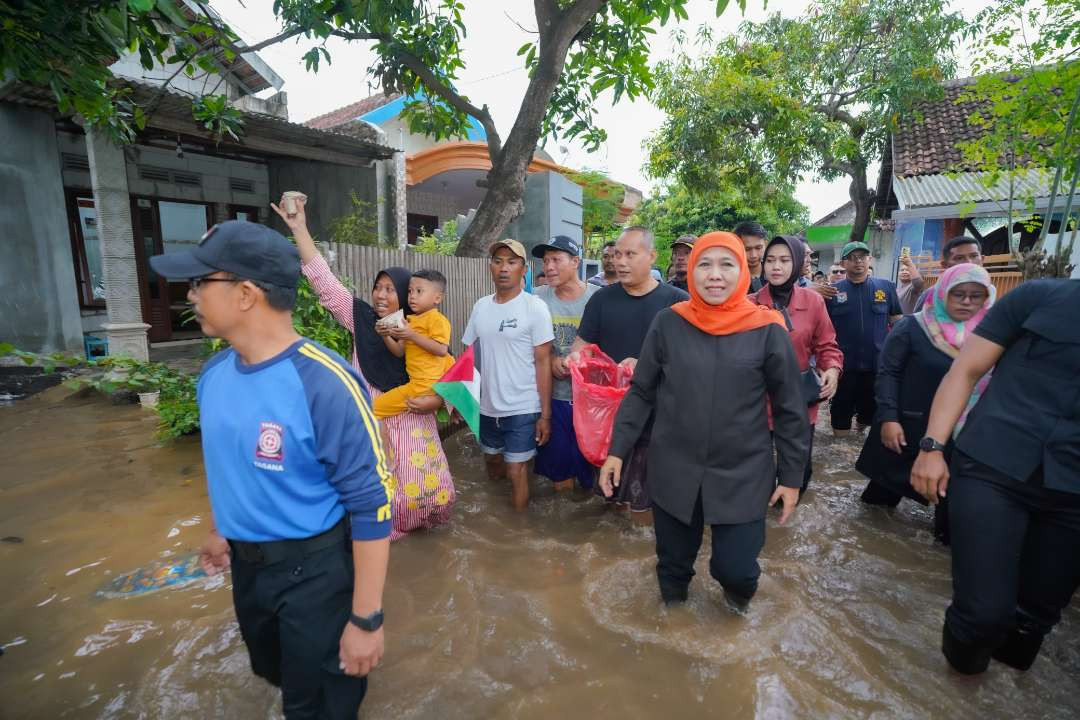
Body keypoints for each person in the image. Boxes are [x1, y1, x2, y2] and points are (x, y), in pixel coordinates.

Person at [149, 220, 391, 719]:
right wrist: (222, 529)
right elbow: (229, 465)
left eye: (199, 282)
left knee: (320, 705)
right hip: (247, 567)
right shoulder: (214, 375)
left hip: (315, 575)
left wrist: (366, 619)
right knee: (274, 673)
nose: (189, 295)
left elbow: (372, 504)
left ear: (244, 294)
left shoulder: (324, 383)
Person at [598, 231, 809, 610]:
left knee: (737, 571)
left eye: (726, 264)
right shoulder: (669, 323)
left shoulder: (768, 329)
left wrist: (791, 478)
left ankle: (735, 623)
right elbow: (642, 391)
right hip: (675, 467)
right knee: (672, 568)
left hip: (743, 472)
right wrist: (617, 451)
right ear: (692, 272)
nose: (715, 275)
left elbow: (790, 408)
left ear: (743, 270)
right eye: (705, 265)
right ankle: (674, 632)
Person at [910, 278, 1080, 676]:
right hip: (991, 468)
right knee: (983, 613)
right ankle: (957, 688)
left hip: (1072, 494)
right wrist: (932, 448)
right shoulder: (1037, 298)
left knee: (1034, 621)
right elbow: (965, 370)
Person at [276, 198, 455, 542]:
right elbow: (325, 285)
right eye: (378, 287)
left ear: (407, 296)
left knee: (428, 494)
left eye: (391, 289)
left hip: (414, 415)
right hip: (371, 418)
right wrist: (299, 228)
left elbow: (452, 372)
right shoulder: (362, 320)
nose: (380, 295)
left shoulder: (423, 327)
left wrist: (436, 402)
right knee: (378, 496)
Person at [856, 264, 995, 544]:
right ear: (943, 293)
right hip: (907, 431)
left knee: (951, 526)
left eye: (975, 295)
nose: (967, 302)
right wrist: (889, 418)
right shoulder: (914, 327)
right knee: (875, 513)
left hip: (965, 440)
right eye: (959, 294)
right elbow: (888, 373)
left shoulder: (992, 338)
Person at [569, 226, 688, 523]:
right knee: (611, 495)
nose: (620, 261)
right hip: (611, 417)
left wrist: (646, 362)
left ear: (652, 256)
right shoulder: (601, 300)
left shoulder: (677, 302)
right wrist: (572, 359)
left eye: (630, 254)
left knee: (646, 504)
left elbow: (691, 361)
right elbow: (583, 348)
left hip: (660, 417)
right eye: (618, 254)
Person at [463, 239, 554, 511]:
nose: (504, 268)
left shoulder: (534, 307)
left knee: (517, 471)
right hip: (488, 407)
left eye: (512, 262)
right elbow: (468, 355)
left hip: (523, 406)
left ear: (523, 269)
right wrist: (462, 400)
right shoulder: (481, 306)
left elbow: (543, 362)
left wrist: (545, 416)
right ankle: (496, 516)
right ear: (490, 267)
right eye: (498, 261)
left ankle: (518, 530)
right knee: (492, 465)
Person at [751, 235, 843, 494]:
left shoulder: (813, 302)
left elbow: (827, 345)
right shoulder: (750, 304)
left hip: (799, 401)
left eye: (784, 260)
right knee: (756, 473)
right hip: (757, 402)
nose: (776, 267)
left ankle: (786, 524)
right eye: (770, 260)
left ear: (798, 263)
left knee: (798, 472)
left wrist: (832, 370)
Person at [531, 235, 599, 493]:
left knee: (591, 473)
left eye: (556, 260)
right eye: (546, 261)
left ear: (575, 262)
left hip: (590, 402)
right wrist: (551, 359)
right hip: (553, 399)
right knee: (558, 473)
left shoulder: (597, 298)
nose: (549, 267)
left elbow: (609, 345)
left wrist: (584, 359)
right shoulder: (535, 299)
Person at [825, 241, 903, 436]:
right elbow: (823, 331)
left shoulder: (886, 288)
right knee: (840, 425)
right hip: (843, 369)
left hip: (876, 367)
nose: (858, 261)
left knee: (868, 421)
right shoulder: (832, 292)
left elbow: (899, 326)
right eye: (852, 258)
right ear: (844, 263)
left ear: (870, 259)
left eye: (862, 257)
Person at [371, 270, 454, 419]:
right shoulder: (410, 321)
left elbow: (442, 349)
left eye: (419, 291)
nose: (412, 296)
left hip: (424, 386)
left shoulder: (438, 320)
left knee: (374, 408)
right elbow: (399, 352)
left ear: (438, 298)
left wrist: (412, 335)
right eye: (410, 291)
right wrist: (385, 336)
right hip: (418, 384)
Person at [914, 236, 985, 308]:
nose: (969, 263)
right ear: (945, 265)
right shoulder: (932, 295)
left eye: (974, 256)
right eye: (959, 258)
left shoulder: (989, 293)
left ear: (982, 260)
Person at [733, 220, 768, 293]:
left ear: (765, 244)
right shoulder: (732, 279)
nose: (753, 255)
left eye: (758, 248)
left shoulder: (775, 273)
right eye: (747, 249)